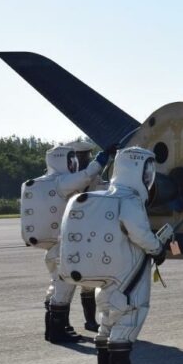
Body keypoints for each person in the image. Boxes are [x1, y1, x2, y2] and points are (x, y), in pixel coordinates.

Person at [59, 146, 165, 364]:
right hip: (127, 279)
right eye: (147, 170)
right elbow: (141, 235)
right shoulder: (130, 201)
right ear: (138, 170)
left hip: (106, 280)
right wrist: (158, 248)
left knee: (106, 325)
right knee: (127, 322)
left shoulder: (104, 196)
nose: (149, 177)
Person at [20, 145, 107, 343]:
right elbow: (86, 176)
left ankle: (54, 328)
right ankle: (57, 331)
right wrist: (101, 161)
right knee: (63, 289)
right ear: (62, 161)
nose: (74, 164)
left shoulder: (41, 182)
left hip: (51, 247)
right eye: (71, 160)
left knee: (56, 286)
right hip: (62, 247)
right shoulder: (61, 182)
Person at [67, 140, 108, 332]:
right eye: (83, 155)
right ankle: (65, 323)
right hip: (75, 234)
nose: (86, 158)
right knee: (67, 283)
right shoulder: (72, 178)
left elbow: (104, 190)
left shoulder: (92, 175)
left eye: (87, 155)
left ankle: (90, 321)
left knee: (89, 280)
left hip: (91, 232)